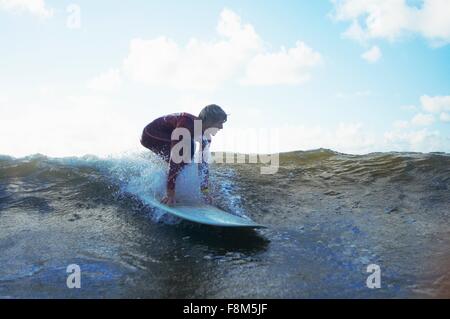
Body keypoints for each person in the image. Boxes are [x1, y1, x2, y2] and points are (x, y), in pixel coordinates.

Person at [140, 104, 227, 205]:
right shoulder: (187, 123)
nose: (221, 127)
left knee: (186, 160)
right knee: (187, 149)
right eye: (220, 123)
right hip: (151, 134)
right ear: (210, 121)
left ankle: (162, 186)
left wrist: (205, 192)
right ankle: (169, 192)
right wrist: (170, 193)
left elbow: (203, 165)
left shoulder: (206, 137)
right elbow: (175, 158)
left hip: (166, 136)